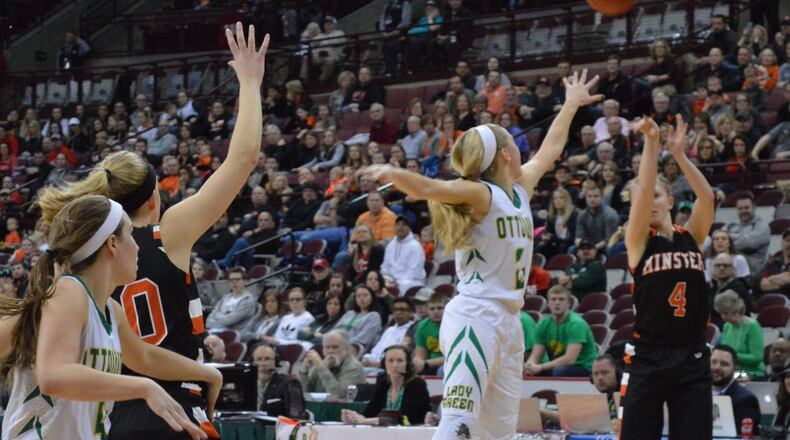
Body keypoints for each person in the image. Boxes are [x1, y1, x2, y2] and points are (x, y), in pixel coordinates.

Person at [35, 22, 269, 440]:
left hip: (110, 410)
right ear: (152, 198)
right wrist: (250, 83)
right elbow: (244, 157)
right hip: (176, 404)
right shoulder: (169, 232)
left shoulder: (81, 256)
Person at [362, 69, 602, 439]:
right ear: (506, 155)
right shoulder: (481, 193)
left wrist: (570, 104)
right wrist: (391, 171)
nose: (525, 151)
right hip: (477, 316)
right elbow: (431, 187)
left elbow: (551, 149)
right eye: (516, 146)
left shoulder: (519, 190)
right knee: (459, 421)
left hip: (509, 322)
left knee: (500, 432)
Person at [0, 195, 221, 440]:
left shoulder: (109, 308)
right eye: (131, 235)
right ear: (113, 243)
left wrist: (206, 373)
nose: (138, 247)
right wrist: (143, 387)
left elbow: (144, 357)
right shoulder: (69, 292)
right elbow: (54, 376)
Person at [619, 113, 715, 440]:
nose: (648, 202)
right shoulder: (637, 242)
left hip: (692, 355)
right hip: (647, 356)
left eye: (659, 197)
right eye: (640, 202)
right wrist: (651, 143)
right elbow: (644, 189)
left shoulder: (692, 236)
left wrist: (679, 155)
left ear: (671, 201)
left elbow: (708, 198)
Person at [341, 345, 431, 426]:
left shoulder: (417, 384)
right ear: (384, 364)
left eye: (400, 360)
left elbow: (404, 419)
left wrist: (365, 420)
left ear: (408, 364)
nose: (395, 365)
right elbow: (370, 411)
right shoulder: (383, 383)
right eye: (390, 361)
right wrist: (353, 417)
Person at [524, 285, 597, 377]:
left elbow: (570, 359)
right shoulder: (543, 324)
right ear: (548, 303)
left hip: (584, 368)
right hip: (558, 366)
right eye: (553, 299)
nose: (557, 303)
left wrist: (541, 367)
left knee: (559, 371)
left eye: (561, 299)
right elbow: (536, 356)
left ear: (569, 303)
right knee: (527, 371)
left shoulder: (576, 324)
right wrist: (529, 366)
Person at [711, 345, 762, 436]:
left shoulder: (746, 400)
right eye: (713, 362)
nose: (717, 367)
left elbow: (742, 436)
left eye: (724, 364)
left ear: (735, 369)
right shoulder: (696, 393)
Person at [296, 329, 366, 396]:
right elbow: (306, 393)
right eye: (327, 347)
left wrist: (321, 368)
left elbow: (339, 394)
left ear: (346, 348)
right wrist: (304, 372)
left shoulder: (354, 367)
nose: (330, 351)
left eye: (335, 347)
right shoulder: (323, 363)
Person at [714, 291, 764, 379]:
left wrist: (731, 356)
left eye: (726, 313)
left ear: (736, 310)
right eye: (721, 313)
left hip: (750, 373)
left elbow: (757, 357)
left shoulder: (752, 326)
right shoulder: (727, 326)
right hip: (729, 372)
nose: (723, 317)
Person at [362, 297, 416, 369]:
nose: (398, 313)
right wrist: (366, 359)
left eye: (402, 310)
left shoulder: (413, 330)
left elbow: (401, 359)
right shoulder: (389, 330)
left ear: (411, 313)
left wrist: (374, 364)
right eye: (395, 310)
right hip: (373, 366)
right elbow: (375, 353)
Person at [725, 195, 771, 274]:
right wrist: (740, 237)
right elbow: (717, 236)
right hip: (731, 271)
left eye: (746, 208)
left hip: (753, 274)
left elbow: (746, 243)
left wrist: (728, 238)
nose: (743, 211)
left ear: (754, 208)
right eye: (740, 208)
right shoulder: (731, 225)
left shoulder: (762, 227)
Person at [381, 215, 426, 293]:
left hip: (411, 281)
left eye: (404, 224)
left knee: (404, 286)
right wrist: (387, 279)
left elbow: (413, 271)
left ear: (409, 228)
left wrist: (397, 283)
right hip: (391, 280)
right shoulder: (391, 245)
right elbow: (385, 266)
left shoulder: (415, 246)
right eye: (397, 224)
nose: (400, 227)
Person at [205, 267, 256, 332]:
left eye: (237, 279)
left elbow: (229, 321)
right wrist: (224, 319)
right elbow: (208, 322)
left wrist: (216, 316)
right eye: (231, 280)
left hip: (232, 335)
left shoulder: (248, 300)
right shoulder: (224, 298)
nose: (234, 282)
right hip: (212, 333)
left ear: (245, 281)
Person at [334, 284, 383, 351]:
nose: (361, 298)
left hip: (354, 347)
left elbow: (363, 339)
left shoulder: (374, 316)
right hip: (334, 343)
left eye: (365, 295)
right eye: (358, 296)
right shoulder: (349, 313)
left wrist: (341, 343)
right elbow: (334, 330)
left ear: (372, 297)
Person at [252, 344, 290, 416]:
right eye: (259, 359)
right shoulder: (247, 384)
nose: (263, 363)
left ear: (276, 362)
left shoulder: (286, 384)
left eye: (267, 359)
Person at [761, 228, 790, 296]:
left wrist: (771, 279)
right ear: (782, 243)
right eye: (787, 240)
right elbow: (763, 284)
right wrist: (784, 283)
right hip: (773, 300)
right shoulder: (773, 261)